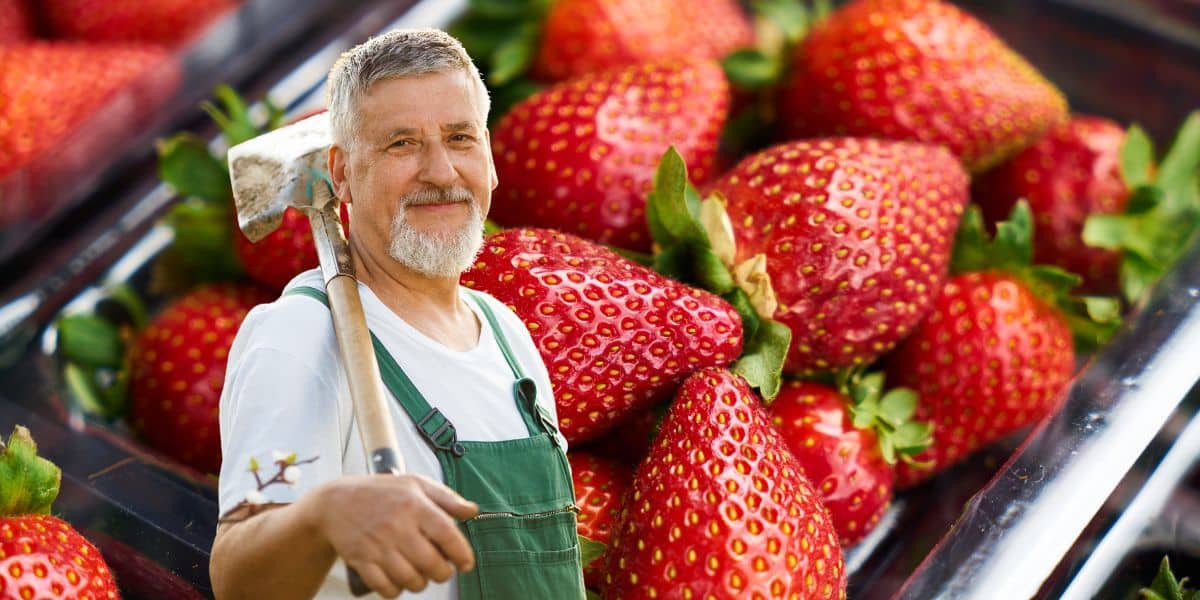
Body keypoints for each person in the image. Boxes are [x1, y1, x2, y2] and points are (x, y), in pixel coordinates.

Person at [209, 29, 583, 599]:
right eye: (401, 144)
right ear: (340, 173)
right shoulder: (300, 336)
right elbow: (236, 578)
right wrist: (323, 515)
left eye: (459, 138)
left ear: (489, 157)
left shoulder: (508, 334)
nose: (440, 171)